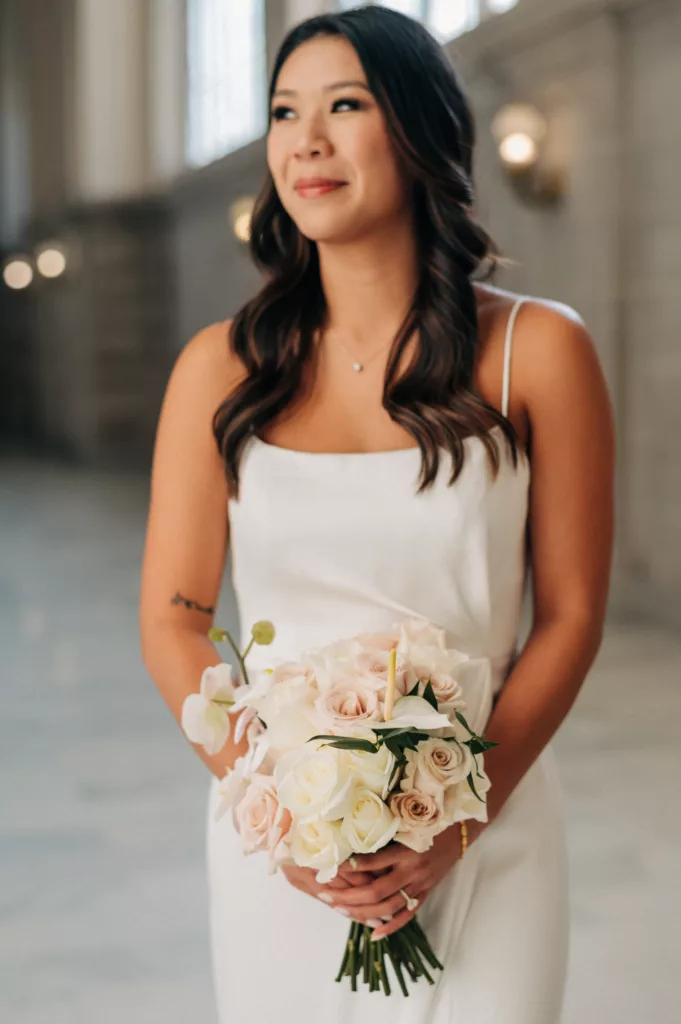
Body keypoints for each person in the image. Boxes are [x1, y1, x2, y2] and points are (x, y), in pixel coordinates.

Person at [139, 6, 614, 1023]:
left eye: (344, 105)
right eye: (283, 111)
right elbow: (175, 617)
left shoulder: (540, 352)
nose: (305, 139)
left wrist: (457, 822)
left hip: (491, 819)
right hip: (286, 857)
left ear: (419, 129)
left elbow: (570, 615)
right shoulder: (219, 368)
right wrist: (281, 807)